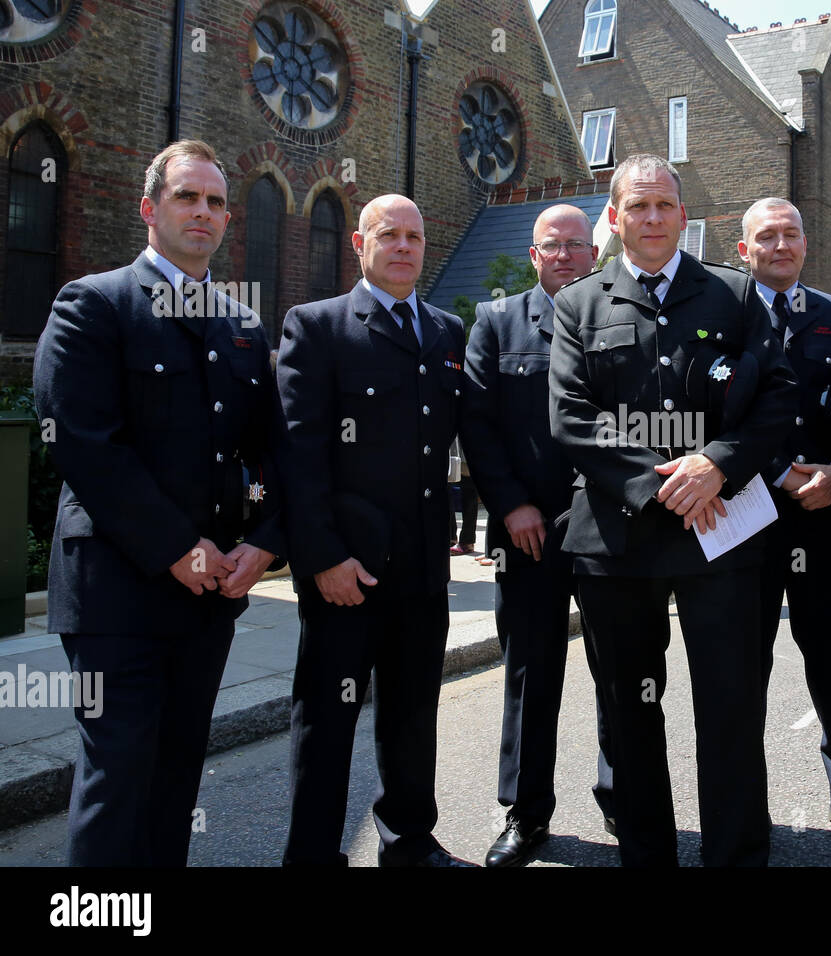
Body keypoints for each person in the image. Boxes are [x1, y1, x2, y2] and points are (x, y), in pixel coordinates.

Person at [33, 140, 283, 866]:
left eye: (214, 202)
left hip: (208, 595)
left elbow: (269, 452)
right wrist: (177, 545)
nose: (201, 212)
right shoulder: (94, 304)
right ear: (150, 208)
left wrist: (265, 542)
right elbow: (82, 442)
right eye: (186, 197)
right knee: (119, 775)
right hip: (116, 592)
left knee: (177, 774)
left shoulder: (242, 327)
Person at [548, 154, 798, 866]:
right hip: (617, 540)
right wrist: (662, 482)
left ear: (684, 217)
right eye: (637, 206)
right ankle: (647, 855)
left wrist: (717, 463)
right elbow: (570, 418)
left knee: (729, 706)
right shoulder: (578, 303)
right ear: (617, 218)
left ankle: (736, 855)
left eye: (664, 206)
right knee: (630, 709)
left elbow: (778, 394)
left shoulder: (735, 295)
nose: (652, 218)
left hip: (720, 531)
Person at [276, 194, 471, 866]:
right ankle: (312, 855)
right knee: (328, 720)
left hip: (422, 569)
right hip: (345, 571)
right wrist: (321, 556)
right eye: (389, 234)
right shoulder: (319, 326)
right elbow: (298, 458)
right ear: (362, 243)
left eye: (415, 236)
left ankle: (409, 838)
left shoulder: (447, 331)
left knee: (414, 714)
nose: (404, 247)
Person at [461, 203, 616, 866]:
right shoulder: (496, 324)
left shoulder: (623, 318)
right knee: (529, 670)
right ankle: (526, 814)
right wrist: (511, 506)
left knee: (622, 669)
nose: (564, 256)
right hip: (528, 531)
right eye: (551, 246)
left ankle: (625, 798)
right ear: (533, 255)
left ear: (593, 254)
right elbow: (478, 426)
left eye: (575, 246)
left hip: (610, 527)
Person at [735, 197, 831, 842]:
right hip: (744, 514)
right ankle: (743, 805)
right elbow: (719, 410)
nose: (780, 246)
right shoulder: (723, 314)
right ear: (744, 250)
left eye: (791, 235)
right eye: (766, 237)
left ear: (807, 243)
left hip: (823, 518)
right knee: (743, 667)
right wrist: (775, 470)